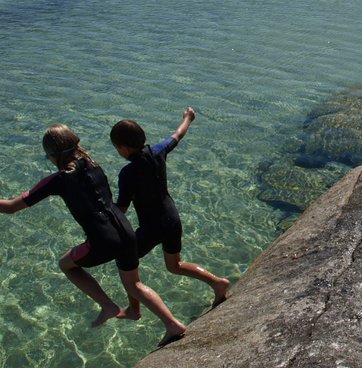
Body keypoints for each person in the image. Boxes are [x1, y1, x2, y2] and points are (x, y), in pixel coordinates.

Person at [0, 124, 187, 348]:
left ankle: (108, 306)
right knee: (134, 285)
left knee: (66, 264)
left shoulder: (59, 179)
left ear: (53, 155)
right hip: (125, 231)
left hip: (102, 240)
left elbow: (11, 207)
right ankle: (170, 323)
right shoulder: (92, 163)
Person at [110, 107, 229, 316]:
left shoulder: (127, 173)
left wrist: (103, 212)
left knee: (125, 261)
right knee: (175, 265)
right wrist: (188, 118)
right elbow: (177, 135)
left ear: (124, 148)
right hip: (172, 219)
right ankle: (217, 283)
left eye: (117, 148)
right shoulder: (158, 151)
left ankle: (133, 309)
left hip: (152, 227)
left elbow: (122, 208)